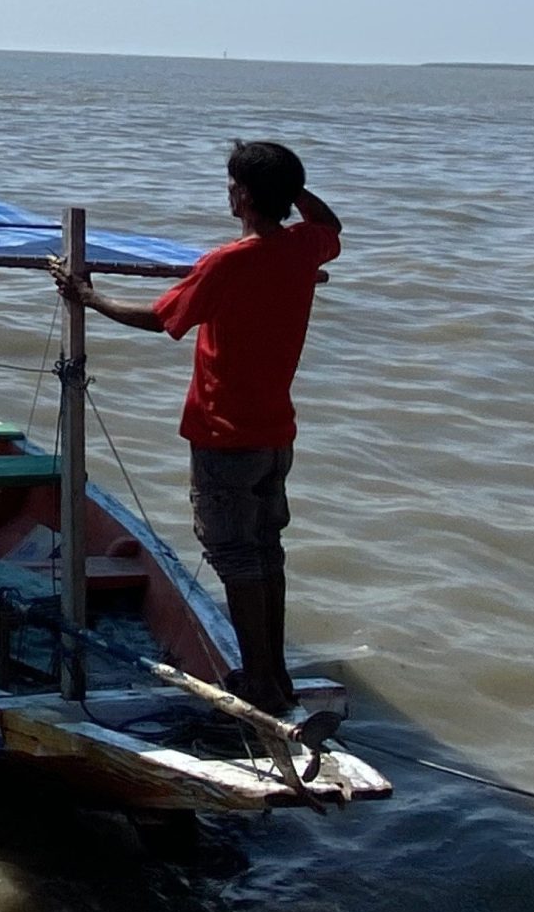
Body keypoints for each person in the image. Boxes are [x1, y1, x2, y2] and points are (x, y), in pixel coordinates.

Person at [52, 141, 342, 713]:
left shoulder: (229, 262)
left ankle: (259, 684)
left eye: (234, 183)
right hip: (275, 434)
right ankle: (274, 674)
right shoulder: (304, 247)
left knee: (237, 556)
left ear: (242, 196)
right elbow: (329, 222)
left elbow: (159, 317)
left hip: (224, 433)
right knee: (266, 551)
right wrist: (288, 188)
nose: (227, 191)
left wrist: (86, 295)